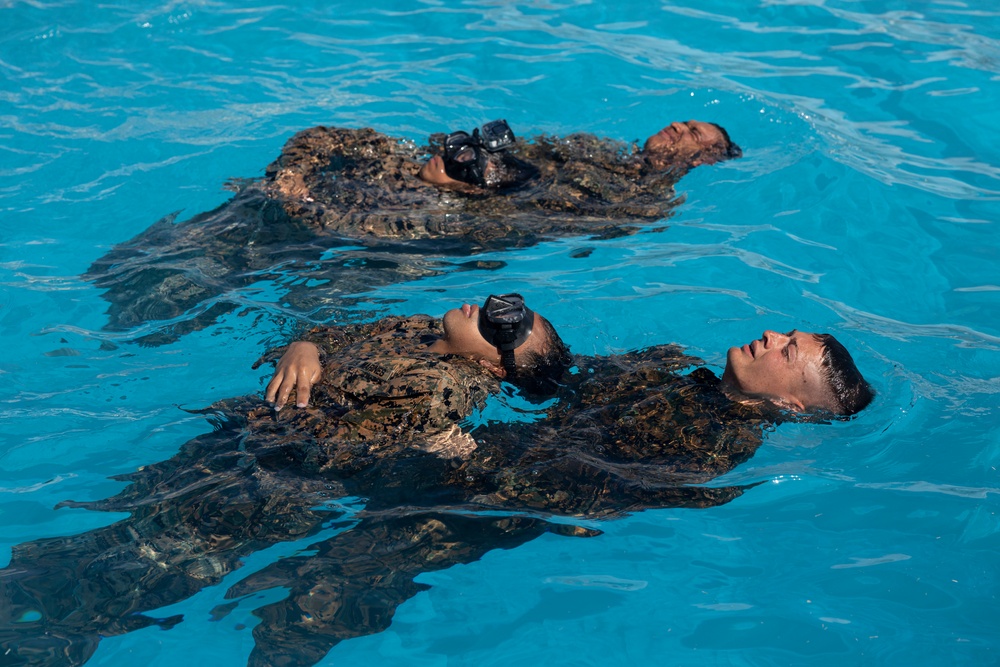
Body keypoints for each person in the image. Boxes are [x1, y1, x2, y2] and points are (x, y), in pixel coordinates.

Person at [0, 302, 871, 667]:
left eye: (793, 350)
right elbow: (555, 383)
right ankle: (58, 606)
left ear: (803, 403)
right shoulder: (669, 370)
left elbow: (575, 504)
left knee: (307, 606)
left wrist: (470, 462)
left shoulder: (716, 450)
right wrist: (514, 343)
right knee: (209, 538)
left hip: (464, 515)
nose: (772, 336)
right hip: (434, 462)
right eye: (785, 331)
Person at [85, 118, 742, 343]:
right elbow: (523, 152)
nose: (679, 130)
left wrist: (463, 192)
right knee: (224, 225)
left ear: (705, 160)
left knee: (300, 264)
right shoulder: (594, 147)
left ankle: (163, 304)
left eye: (695, 137)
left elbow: (532, 223)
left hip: (417, 232)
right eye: (682, 122)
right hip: (393, 198)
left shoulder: (642, 203)